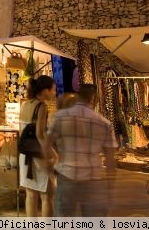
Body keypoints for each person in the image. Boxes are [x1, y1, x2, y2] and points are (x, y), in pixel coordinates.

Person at [44, 84, 117, 217]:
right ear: (94, 99)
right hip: (94, 179)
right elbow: (110, 159)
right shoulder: (104, 123)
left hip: (67, 175)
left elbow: (47, 144)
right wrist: (110, 190)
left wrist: (50, 166)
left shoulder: (60, 117)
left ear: (78, 96)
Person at [19, 75, 56, 217]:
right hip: (38, 154)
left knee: (30, 195)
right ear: (44, 90)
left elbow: (23, 130)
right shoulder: (41, 106)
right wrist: (52, 153)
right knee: (47, 195)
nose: (54, 93)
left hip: (25, 155)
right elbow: (40, 134)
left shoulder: (24, 104)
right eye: (52, 90)